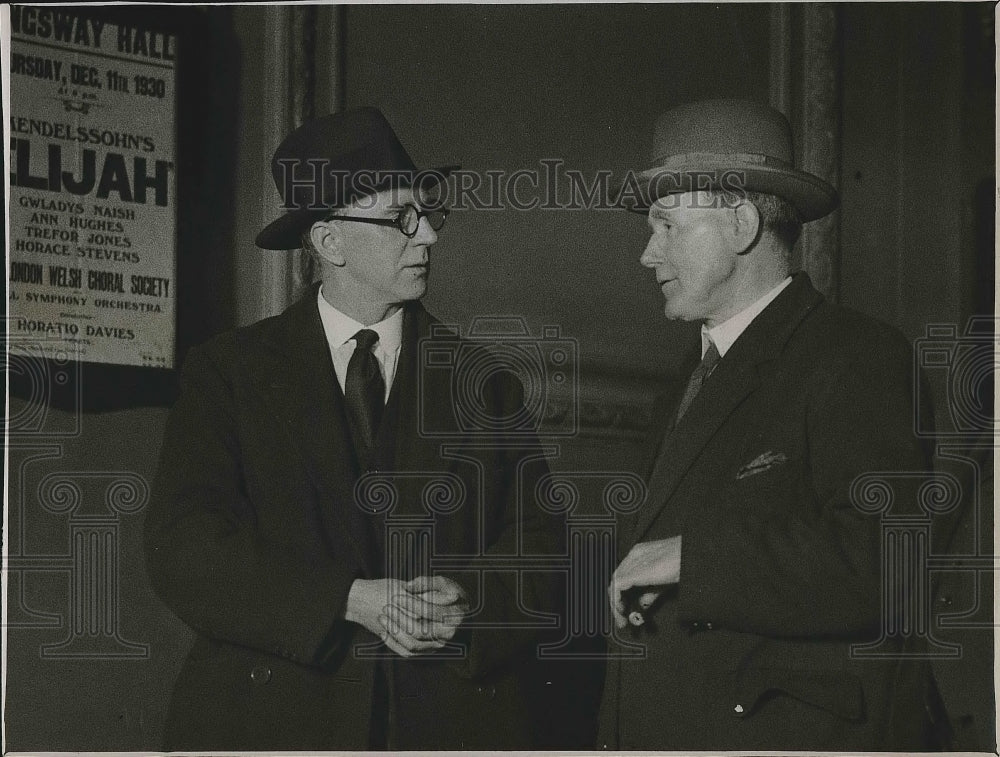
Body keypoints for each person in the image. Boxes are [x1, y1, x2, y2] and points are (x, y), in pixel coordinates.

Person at [144, 108, 563, 751]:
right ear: (329, 242)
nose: (427, 235)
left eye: (428, 213)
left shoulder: (484, 383)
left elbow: (546, 552)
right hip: (267, 725)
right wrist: (346, 599)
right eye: (400, 217)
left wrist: (469, 600)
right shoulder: (230, 373)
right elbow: (185, 550)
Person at [599, 99, 939, 751]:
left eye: (666, 226)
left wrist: (690, 559)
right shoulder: (688, 377)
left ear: (742, 223)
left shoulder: (857, 354)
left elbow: (889, 562)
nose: (648, 254)